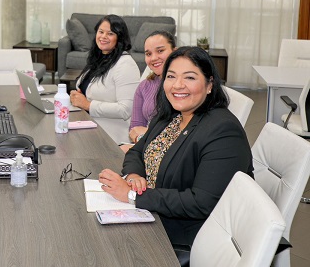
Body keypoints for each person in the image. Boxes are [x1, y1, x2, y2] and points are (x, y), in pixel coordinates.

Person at [98, 46, 253, 248]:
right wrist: (134, 176)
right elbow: (137, 151)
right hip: (155, 213)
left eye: (189, 78)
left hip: (191, 233)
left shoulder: (223, 131)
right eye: (171, 76)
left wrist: (132, 195)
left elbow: (201, 202)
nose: (177, 85)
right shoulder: (170, 114)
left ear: (209, 85)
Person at [69, 14, 140, 143]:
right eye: (100, 32)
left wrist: (88, 105)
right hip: (87, 128)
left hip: (110, 137)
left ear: (119, 38)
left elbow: (126, 109)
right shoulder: (100, 58)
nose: (103, 36)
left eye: (110, 33)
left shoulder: (126, 65)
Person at [119, 30, 176, 152]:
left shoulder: (182, 87)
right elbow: (134, 129)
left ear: (175, 52)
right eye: (148, 54)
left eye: (160, 51)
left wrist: (147, 132)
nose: (154, 58)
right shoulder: (144, 87)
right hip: (148, 147)